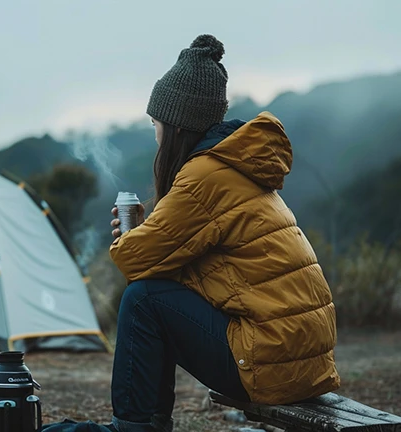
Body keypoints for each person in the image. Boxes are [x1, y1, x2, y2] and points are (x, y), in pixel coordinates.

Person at [105, 35, 341, 432]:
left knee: (142, 301)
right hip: (302, 359)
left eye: (155, 123)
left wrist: (135, 236)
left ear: (176, 124)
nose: (155, 133)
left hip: (272, 363)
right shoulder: (235, 167)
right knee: (152, 296)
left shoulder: (204, 177)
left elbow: (134, 260)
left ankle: (134, 426)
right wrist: (154, 230)